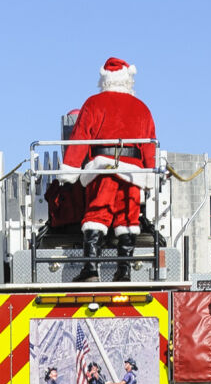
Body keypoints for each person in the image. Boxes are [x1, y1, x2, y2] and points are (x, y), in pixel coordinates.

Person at [63, 57, 157, 282]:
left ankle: (91, 270)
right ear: (128, 80)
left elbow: (80, 138)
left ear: (104, 80)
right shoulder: (142, 107)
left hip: (102, 167)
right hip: (134, 172)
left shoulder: (93, 104)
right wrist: (151, 173)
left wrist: (70, 170)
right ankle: (124, 272)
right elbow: (150, 144)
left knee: (97, 215)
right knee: (128, 219)